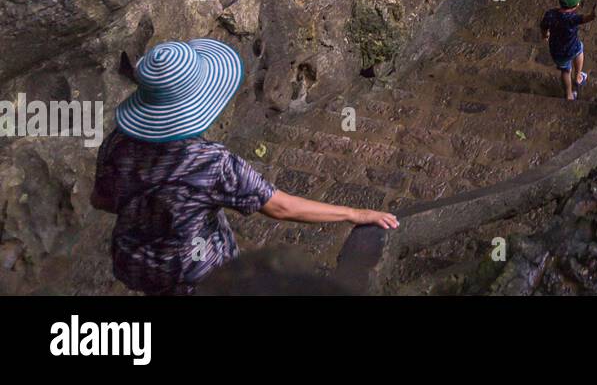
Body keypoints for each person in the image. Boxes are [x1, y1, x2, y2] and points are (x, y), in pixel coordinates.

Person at [91, 38, 398, 296]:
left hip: (139, 264)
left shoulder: (118, 142)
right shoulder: (210, 162)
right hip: (197, 273)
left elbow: (101, 199)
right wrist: (353, 214)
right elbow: (280, 207)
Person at [540, 0, 595, 100]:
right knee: (580, 49)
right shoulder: (573, 18)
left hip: (557, 50)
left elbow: (543, 26)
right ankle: (578, 76)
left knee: (565, 71)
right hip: (573, 47)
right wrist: (596, 9)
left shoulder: (550, 14)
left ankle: (569, 94)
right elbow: (589, 17)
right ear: (577, 4)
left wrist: (545, 35)